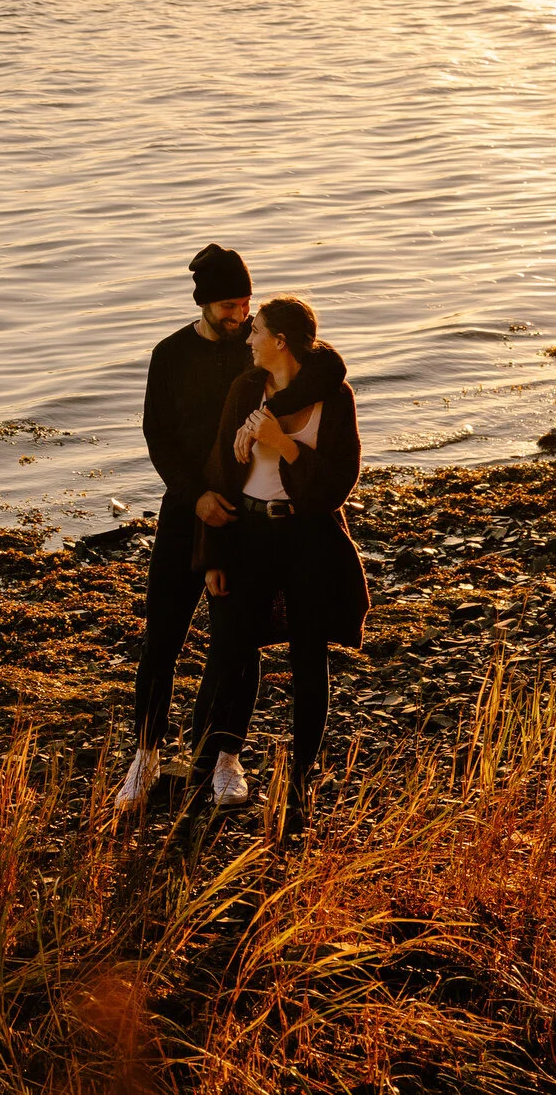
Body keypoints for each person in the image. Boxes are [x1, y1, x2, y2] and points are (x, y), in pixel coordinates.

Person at [120, 247, 342, 812]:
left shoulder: (256, 356)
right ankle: (144, 758)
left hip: (243, 517)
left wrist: (276, 430)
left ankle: (225, 758)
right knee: (161, 639)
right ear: (202, 302)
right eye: (227, 305)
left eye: (246, 305)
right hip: (187, 510)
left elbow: (319, 369)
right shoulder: (169, 355)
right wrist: (196, 496)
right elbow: (158, 438)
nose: (239, 317)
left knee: (236, 644)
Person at [194, 295, 369, 829]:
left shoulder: (334, 399)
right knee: (231, 649)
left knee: (308, 659)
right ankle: (216, 767)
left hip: (307, 536)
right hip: (246, 532)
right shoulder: (246, 389)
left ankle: (300, 779)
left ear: (280, 342)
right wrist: (213, 555)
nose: (248, 338)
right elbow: (220, 475)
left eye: (257, 331)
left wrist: (284, 445)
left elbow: (338, 484)